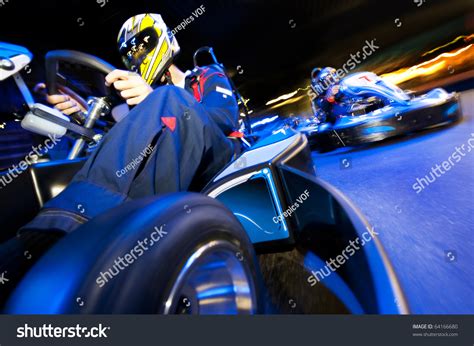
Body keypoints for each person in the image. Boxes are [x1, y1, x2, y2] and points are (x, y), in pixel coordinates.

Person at [0, 13, 239, 307]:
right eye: (130, 53)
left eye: (142, 46)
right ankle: (74, 236)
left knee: (169, 100)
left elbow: (221, 120)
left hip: (222, 155)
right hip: (175, 149)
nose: (137, 56)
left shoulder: (205, 75)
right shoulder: (149, 101)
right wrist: (81, 110)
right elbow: (119, 139)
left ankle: (76, 230)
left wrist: (156, 98)